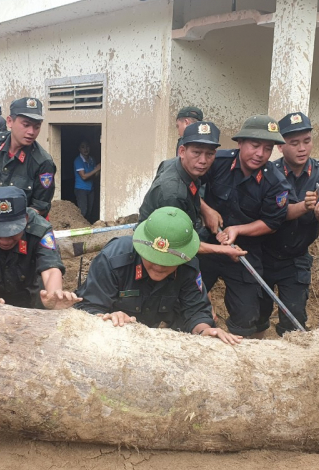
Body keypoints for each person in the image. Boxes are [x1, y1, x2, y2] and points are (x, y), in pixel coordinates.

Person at [75, 207, 241, 344]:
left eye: (168, 261)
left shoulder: (189, 266)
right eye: (153, 257)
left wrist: (204, 330)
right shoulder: (112, 259)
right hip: (111, 340)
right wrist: (108, 318)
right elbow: (87, 306)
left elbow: (196, 310)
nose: (159, 266)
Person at [198, 115, 292, 338]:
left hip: (244, 253)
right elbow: (188, 184)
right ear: (240, 143)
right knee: (187, 293)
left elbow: (272, 222)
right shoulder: (217, 161)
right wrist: (206, 210)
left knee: (247, 315)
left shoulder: (276, 182)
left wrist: (238, 230)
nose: (260, 154)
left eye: (268, 149)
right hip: (207, 245)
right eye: (255, 145)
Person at [263, 111, 319, 334]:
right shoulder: (268, 173)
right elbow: (273, 214)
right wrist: (304, 206)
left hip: (296, 259)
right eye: (294, 143)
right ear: (280, 146)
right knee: (254, 316)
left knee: (294, 320)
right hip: (263, 255)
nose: (302, 148)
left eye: (307, 141)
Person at [0, 187, 79, 309]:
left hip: (29, 298)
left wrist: (54, 296)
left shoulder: (40, 228)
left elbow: (51, 268)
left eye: (13, 232)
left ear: (26, 219)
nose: (5, 240)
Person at [138, 121, 242, 260]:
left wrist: (206, 210)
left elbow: (189, 192)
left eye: (210, 154)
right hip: (158, 252)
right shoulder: (173, 194)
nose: (203, 160)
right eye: (196, 152)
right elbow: (178, 244)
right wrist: (224, 249)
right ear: (182, 151)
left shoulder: (175, 164)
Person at [0, 97, 56, 216]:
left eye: (37, 127)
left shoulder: (43, 163)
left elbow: (41, 206)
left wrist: (12, 218)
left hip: (22, 225)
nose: (31, 132)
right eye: (26, 125)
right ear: (9, 122)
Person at [74, 140, 100, 220]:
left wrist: (97, 170)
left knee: (89, 212)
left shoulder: (92, 160)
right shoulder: (78, 161)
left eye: (87, 146)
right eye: (83, 147)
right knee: (83, 211)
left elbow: (94, 175)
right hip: (81, 189)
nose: (85, 149)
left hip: (90, 188)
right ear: (79, 149)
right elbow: (84, 176)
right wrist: (97, 169)